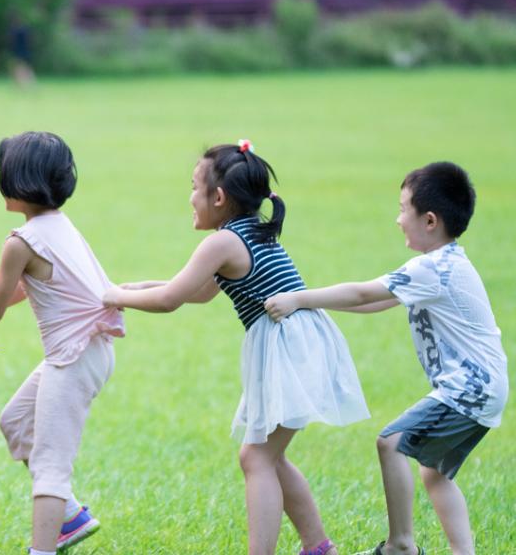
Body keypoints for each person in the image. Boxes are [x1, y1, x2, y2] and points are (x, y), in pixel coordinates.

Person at [103, 141, 368, 555]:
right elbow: (199, 291)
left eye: (194, 186)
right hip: (296, 343)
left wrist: (114, 297)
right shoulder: (244, 233)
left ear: (219, 197)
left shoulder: (222, 242)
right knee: (270, 457)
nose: (190, 197)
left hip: (289, 348)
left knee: (256, 458)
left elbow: (171, 300)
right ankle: (318, 548)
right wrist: (137, 288)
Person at [265, 162, 507, 555]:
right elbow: (377, 302)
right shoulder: (444, 263)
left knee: (391, 442)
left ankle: (400, 546)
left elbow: (363, 293)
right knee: (434, 471)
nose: (397, 219)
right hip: (485, 388)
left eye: (402, 209)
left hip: (470, 389)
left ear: (429, 220)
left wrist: (299, 298)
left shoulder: (434, 268)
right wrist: (313, 309)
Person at [0, 132, 124, 555]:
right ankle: (69, 516)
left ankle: (43, 547)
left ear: (18, 179)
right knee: (16, 420)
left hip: (72, 358)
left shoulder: (21, 242)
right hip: (90, 352)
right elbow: (16, 292)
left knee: (50, 465)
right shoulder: (55, 227)